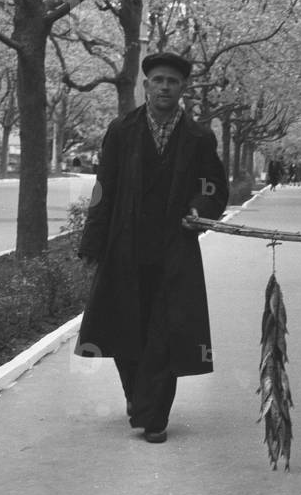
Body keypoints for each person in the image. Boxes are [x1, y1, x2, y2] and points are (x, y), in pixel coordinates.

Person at [74, 51, 229, 444]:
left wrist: (199, 209)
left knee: (167, 331)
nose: (164, 87)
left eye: (172, 82)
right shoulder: (122, 131)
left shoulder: (198, 138)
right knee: (126, 330)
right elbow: (102, 190)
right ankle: (137, 397)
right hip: (125, 249)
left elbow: (214, 188)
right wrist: (92, 244)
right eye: (157, 80)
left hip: (174, 250)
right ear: (146, 85)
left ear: (182, 89)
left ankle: (154, 416)